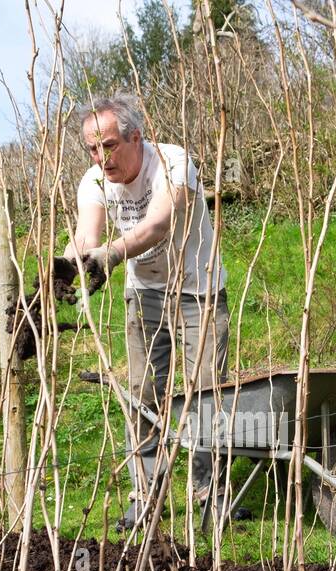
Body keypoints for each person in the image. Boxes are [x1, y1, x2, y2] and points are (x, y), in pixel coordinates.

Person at [64, 93, 230, 530]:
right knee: (141, 394)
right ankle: (146, 495)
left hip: (198, 292)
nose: (102, 158)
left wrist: (113, 254)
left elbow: (158, 225)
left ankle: (210, 493)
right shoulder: (94, 181)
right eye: (92, 149)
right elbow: (86, 236)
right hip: (144, 296)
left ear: (136, 136)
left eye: (110, 145)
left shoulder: (174, 164)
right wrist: (65, 270)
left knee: (207, 393)